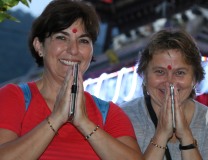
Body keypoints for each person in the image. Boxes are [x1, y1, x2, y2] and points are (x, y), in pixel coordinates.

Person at [0, 0, 143, 159]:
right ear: (39, 46)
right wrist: (55, 119)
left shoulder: (109, 114)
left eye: (83, 41)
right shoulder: (14, 98)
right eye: (61, 37)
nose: (73, 50)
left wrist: (84, 123)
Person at [121, 29, 208, 160]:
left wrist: (185, 135)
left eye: (180, 73)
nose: (170, 82)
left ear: (194, 79)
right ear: (144, 75)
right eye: (160, 72)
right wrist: (161, 135)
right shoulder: (123, 117)